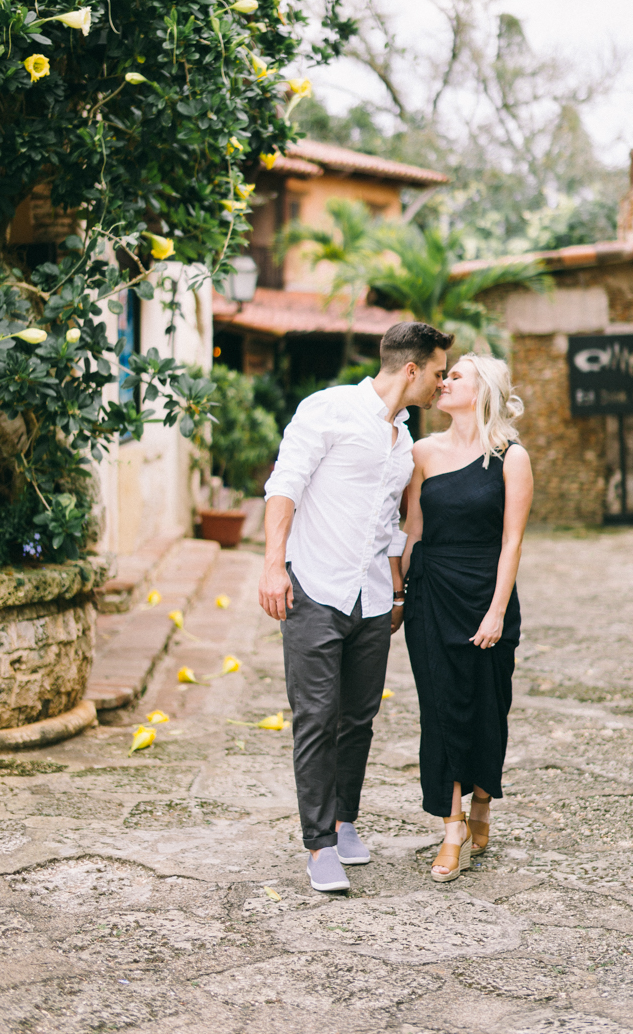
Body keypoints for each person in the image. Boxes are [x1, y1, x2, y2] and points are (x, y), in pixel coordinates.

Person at [259, 321, 454, 892]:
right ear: (412, 369)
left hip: (370, 597)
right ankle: (318, 845)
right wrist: (274, 566)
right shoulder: (328, 410)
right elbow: (284, 486)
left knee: (359, 720)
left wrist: (395, 591)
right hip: (314, 588)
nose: (442, 384)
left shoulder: (403, 435)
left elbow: (389, 524)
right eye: (439, 373)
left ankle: (345, 821)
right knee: (316, 717)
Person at [401, 353, 533, 882]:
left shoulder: (510, 456)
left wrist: (497, 610)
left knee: (485, 706)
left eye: (456, 376)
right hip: (431, 591)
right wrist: (396, 596)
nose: (444, 381)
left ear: (483, 391)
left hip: (486, 591)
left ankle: (481, 802)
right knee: (439, 709)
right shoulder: (422, 452)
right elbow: (412, 530)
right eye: (445, 374)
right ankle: (451, 824)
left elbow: (512, 540)